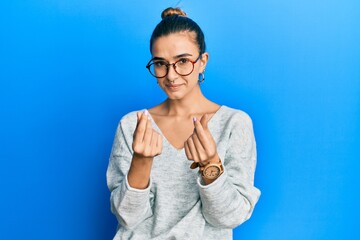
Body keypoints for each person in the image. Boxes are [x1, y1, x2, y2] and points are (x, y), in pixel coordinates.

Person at [106, 7, 261, 240]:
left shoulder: (234, 123)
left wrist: (211, 164)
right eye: (160, 63)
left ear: (202, 62)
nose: (171, 75)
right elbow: (128, 218)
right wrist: (141, 161)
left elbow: (229, 218)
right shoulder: (132, 125)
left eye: (183, 61)